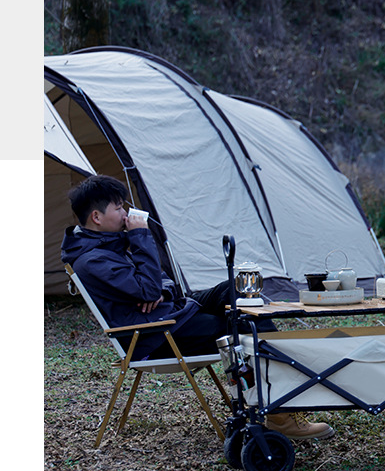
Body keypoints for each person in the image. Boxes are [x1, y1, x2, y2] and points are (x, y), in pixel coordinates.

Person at [61, 174, 334, 440]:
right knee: (243, 326)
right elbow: (149, 287)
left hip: (174, 312)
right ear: (96, 217)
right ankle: (279, 412)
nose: (127, 212)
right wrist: (142, 243)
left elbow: (164, 281)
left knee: (234, 288)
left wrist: (159, 291)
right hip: (156, 334)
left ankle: (273, 401)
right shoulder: (93, 261)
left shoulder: (112, 246)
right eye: (119, 207)